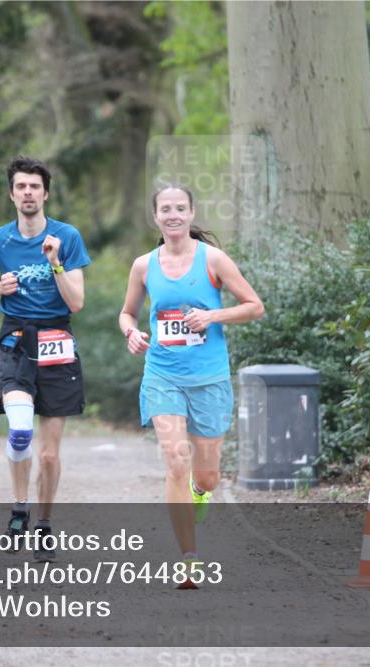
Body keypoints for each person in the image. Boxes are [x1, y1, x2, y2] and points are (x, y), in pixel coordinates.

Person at [118, 184, 264, 588]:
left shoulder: (212, 259)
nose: (173, 215)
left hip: (209, 378)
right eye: (165, 209)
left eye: (180, 208)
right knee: (175, 459)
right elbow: (127, 313)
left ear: (191, 213)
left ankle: (201, 491)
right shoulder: (143, 266)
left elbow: (254, 306)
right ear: (156, 216)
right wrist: (131, 333)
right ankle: (189, 558)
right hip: (162, 375)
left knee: (207, 476)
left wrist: (212, 316)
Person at [0, 156, 91, 562]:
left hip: (57, 337)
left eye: (34, 187)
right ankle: (18, 509)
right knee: (21, 430)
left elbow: (76, 302)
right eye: (21, 186)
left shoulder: (67, 236)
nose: (28, 193)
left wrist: (55, 262)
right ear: (12, 194)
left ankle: (43, 524)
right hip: (16, 339)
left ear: (45, 194)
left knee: (49, 454)